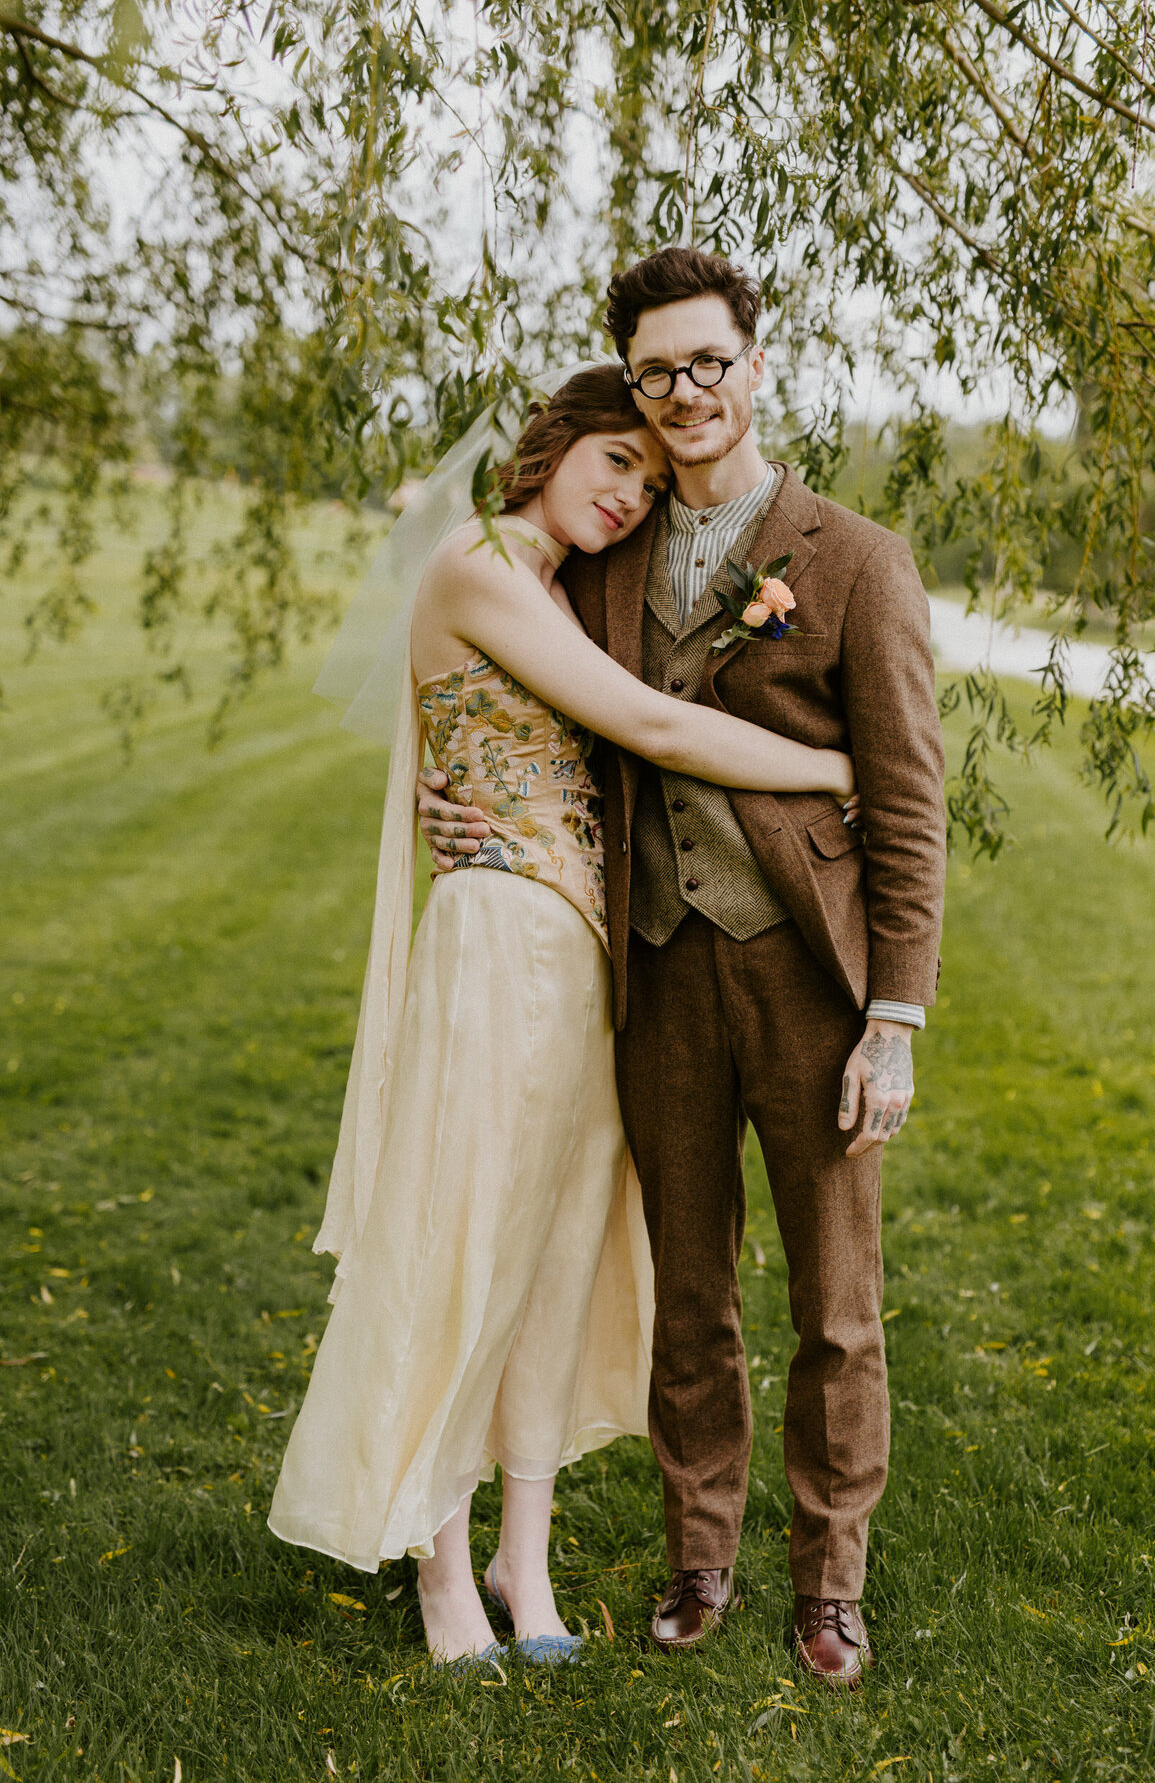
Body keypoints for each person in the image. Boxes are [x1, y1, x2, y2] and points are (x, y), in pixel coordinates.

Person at [268, 365, 859, 1672]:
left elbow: (688, 674)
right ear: (549, 446)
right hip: (496, 942)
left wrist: (777, 613)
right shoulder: (481, 564)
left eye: (647, 484)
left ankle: (520, 1565)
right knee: (466, 1237)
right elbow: (650, 724)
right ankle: (437, 1564)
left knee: (553, 1253)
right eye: (613, 462)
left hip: (585, 957)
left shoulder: (562, 591)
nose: (627, 495)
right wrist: (837, 764)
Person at [420, 250, 946, 1688]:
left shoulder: (855, 559)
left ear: (756, 364)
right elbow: (504, 687)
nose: (686, 394)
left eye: (709, 362)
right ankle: (698, 1558)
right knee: (687, 1293)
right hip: (651, 970)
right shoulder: (603, 556)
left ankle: (829, 1585)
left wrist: (893, 1011)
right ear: (635, 387)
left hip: (808, 983)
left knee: (837, 1307)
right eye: (658, 373)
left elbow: (907, 802)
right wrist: (440, 788)